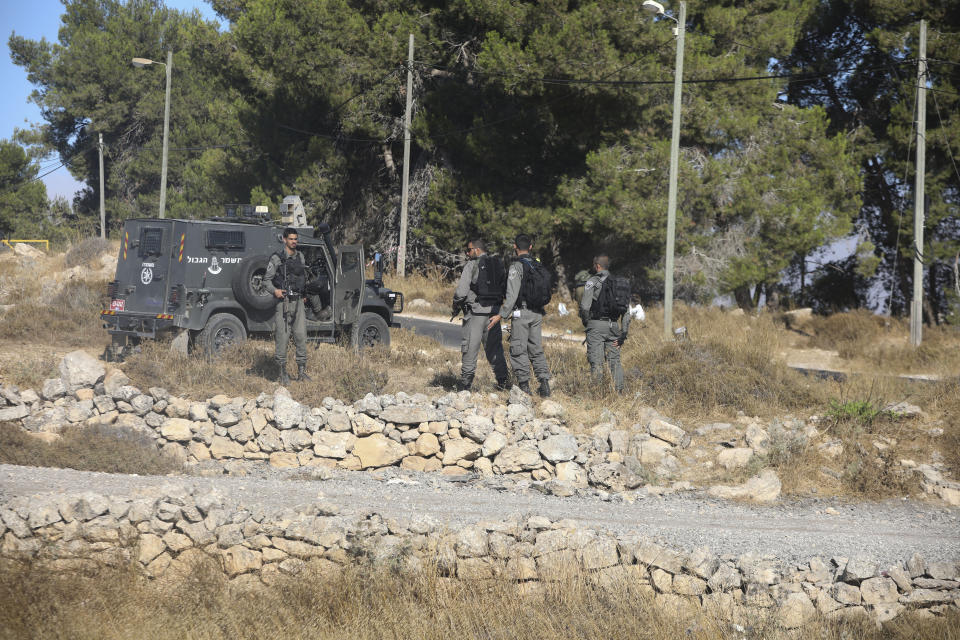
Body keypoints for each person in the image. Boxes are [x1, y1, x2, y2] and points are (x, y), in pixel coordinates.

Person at [486, 234, 552, 397]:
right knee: (536, 349)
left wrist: (501, 315)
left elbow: (512, 294)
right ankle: (544, 384)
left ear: (515, 247)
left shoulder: (516, 266)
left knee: (518, 349)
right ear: (530, 247)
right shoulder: (537, 264)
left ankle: (524, 386)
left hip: (521, 313)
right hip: (537, 313)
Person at [452, 239, 510, 392]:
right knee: (495, 349)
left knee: (470, 348)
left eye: (469, 250)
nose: (467, 253)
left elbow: (461, 292)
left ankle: (465, 385)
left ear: (477, 250)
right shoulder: (497, 265)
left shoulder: (472, 265)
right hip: (494, 314)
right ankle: (503, 382)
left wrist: (455, 304)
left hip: (475, 313)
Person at [264, 227, 310, 385]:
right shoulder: (277, 258)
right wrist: (275, 291)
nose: (294, 242)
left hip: (298, 303)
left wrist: (303, 295)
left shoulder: (301, 257)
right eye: (291, 239)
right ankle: (282, 373)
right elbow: (266, 281)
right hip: (283, 303)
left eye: (296, 239)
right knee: (282, 338)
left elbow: (302, 277)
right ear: (284, 240)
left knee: (301, 337)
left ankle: (302, 372)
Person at [579, 254, 631, 393]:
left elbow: (584, 306)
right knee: (615, 362)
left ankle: (597, 393)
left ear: (597, 266)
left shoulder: (593, 281)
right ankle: (619, 393)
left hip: (596, 325)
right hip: (614, 327)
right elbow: (626, 312)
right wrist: (623, 335)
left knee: (596, 361)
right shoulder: (619, 283)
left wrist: (586, 322)